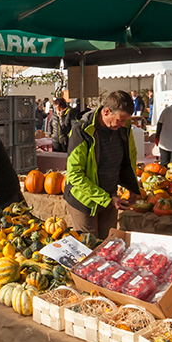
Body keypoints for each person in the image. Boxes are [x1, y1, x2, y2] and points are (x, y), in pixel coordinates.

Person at [64, 90, 141, 239]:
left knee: (108, 246)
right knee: (90, 250)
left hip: (110, 197)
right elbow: (74, 176)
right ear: (106, 112)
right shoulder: (81, 131)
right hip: (84, 202)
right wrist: (106, 199)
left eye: (125, 120)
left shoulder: (123, 127)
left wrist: (132, 186)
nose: (122, 124)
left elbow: (130, 156)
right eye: (119, 120)